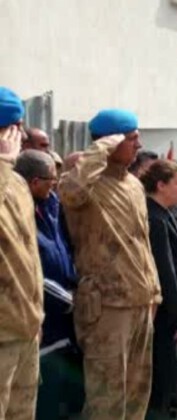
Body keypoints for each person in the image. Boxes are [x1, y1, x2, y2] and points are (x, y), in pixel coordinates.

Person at [60, 109, 162, 420]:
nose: (138, 144)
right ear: (109, 142)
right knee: (107, 397)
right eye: (132, 138)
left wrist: (154, 291)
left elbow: (141, 241)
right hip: (107, 305)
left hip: (141, 300)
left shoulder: (132, 183)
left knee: (136, 392)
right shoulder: (84, 182)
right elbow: (70, 192)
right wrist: (99, 151)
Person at [14, 150, 86, 419]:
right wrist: (67, 301)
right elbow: (29, 269)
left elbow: (64, 250)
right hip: (42, 317)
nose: (55, 185)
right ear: (33, 182)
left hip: (64, 318)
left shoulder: (52, 204)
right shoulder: (18, 212)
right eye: (50, 181)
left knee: (64, 396)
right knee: (44, 397)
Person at [0, 87, 45, 420]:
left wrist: (35, 313)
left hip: (24, 326)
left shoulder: (16, 184)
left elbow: (28, 254)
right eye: (11, 129)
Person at [139, 160, 177, 419]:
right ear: (160, 185)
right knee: (160, 369)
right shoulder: (154, 218)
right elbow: (165, 272)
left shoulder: (166, 214)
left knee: (168, 369)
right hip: (165, 308)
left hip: (171, 305)